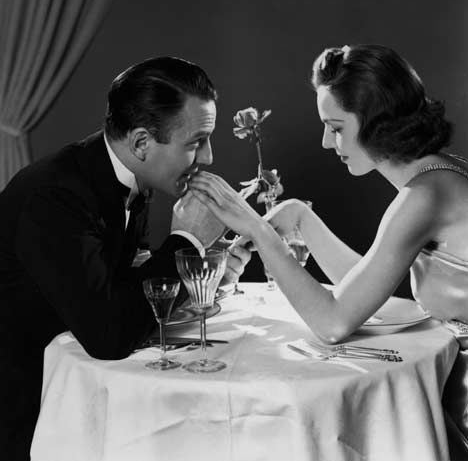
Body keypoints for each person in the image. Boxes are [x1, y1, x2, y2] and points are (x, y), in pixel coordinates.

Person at [187, 44, 468, 455]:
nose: (324, 142)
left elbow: (334, 322)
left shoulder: (422, 198)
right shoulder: (441, 172)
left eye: (335, 127)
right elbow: (364, 289)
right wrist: (300, 216)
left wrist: (259, 233)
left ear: (377, 123)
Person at [0, 56, 251, 461]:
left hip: (74, 387)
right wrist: (187, 239)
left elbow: (125, 282)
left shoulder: (131, 174)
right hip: (24, 410)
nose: (207, 157)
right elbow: (109, 335)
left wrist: (202, 270)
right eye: (195, 142)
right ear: (140, 143)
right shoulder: (55, 196)